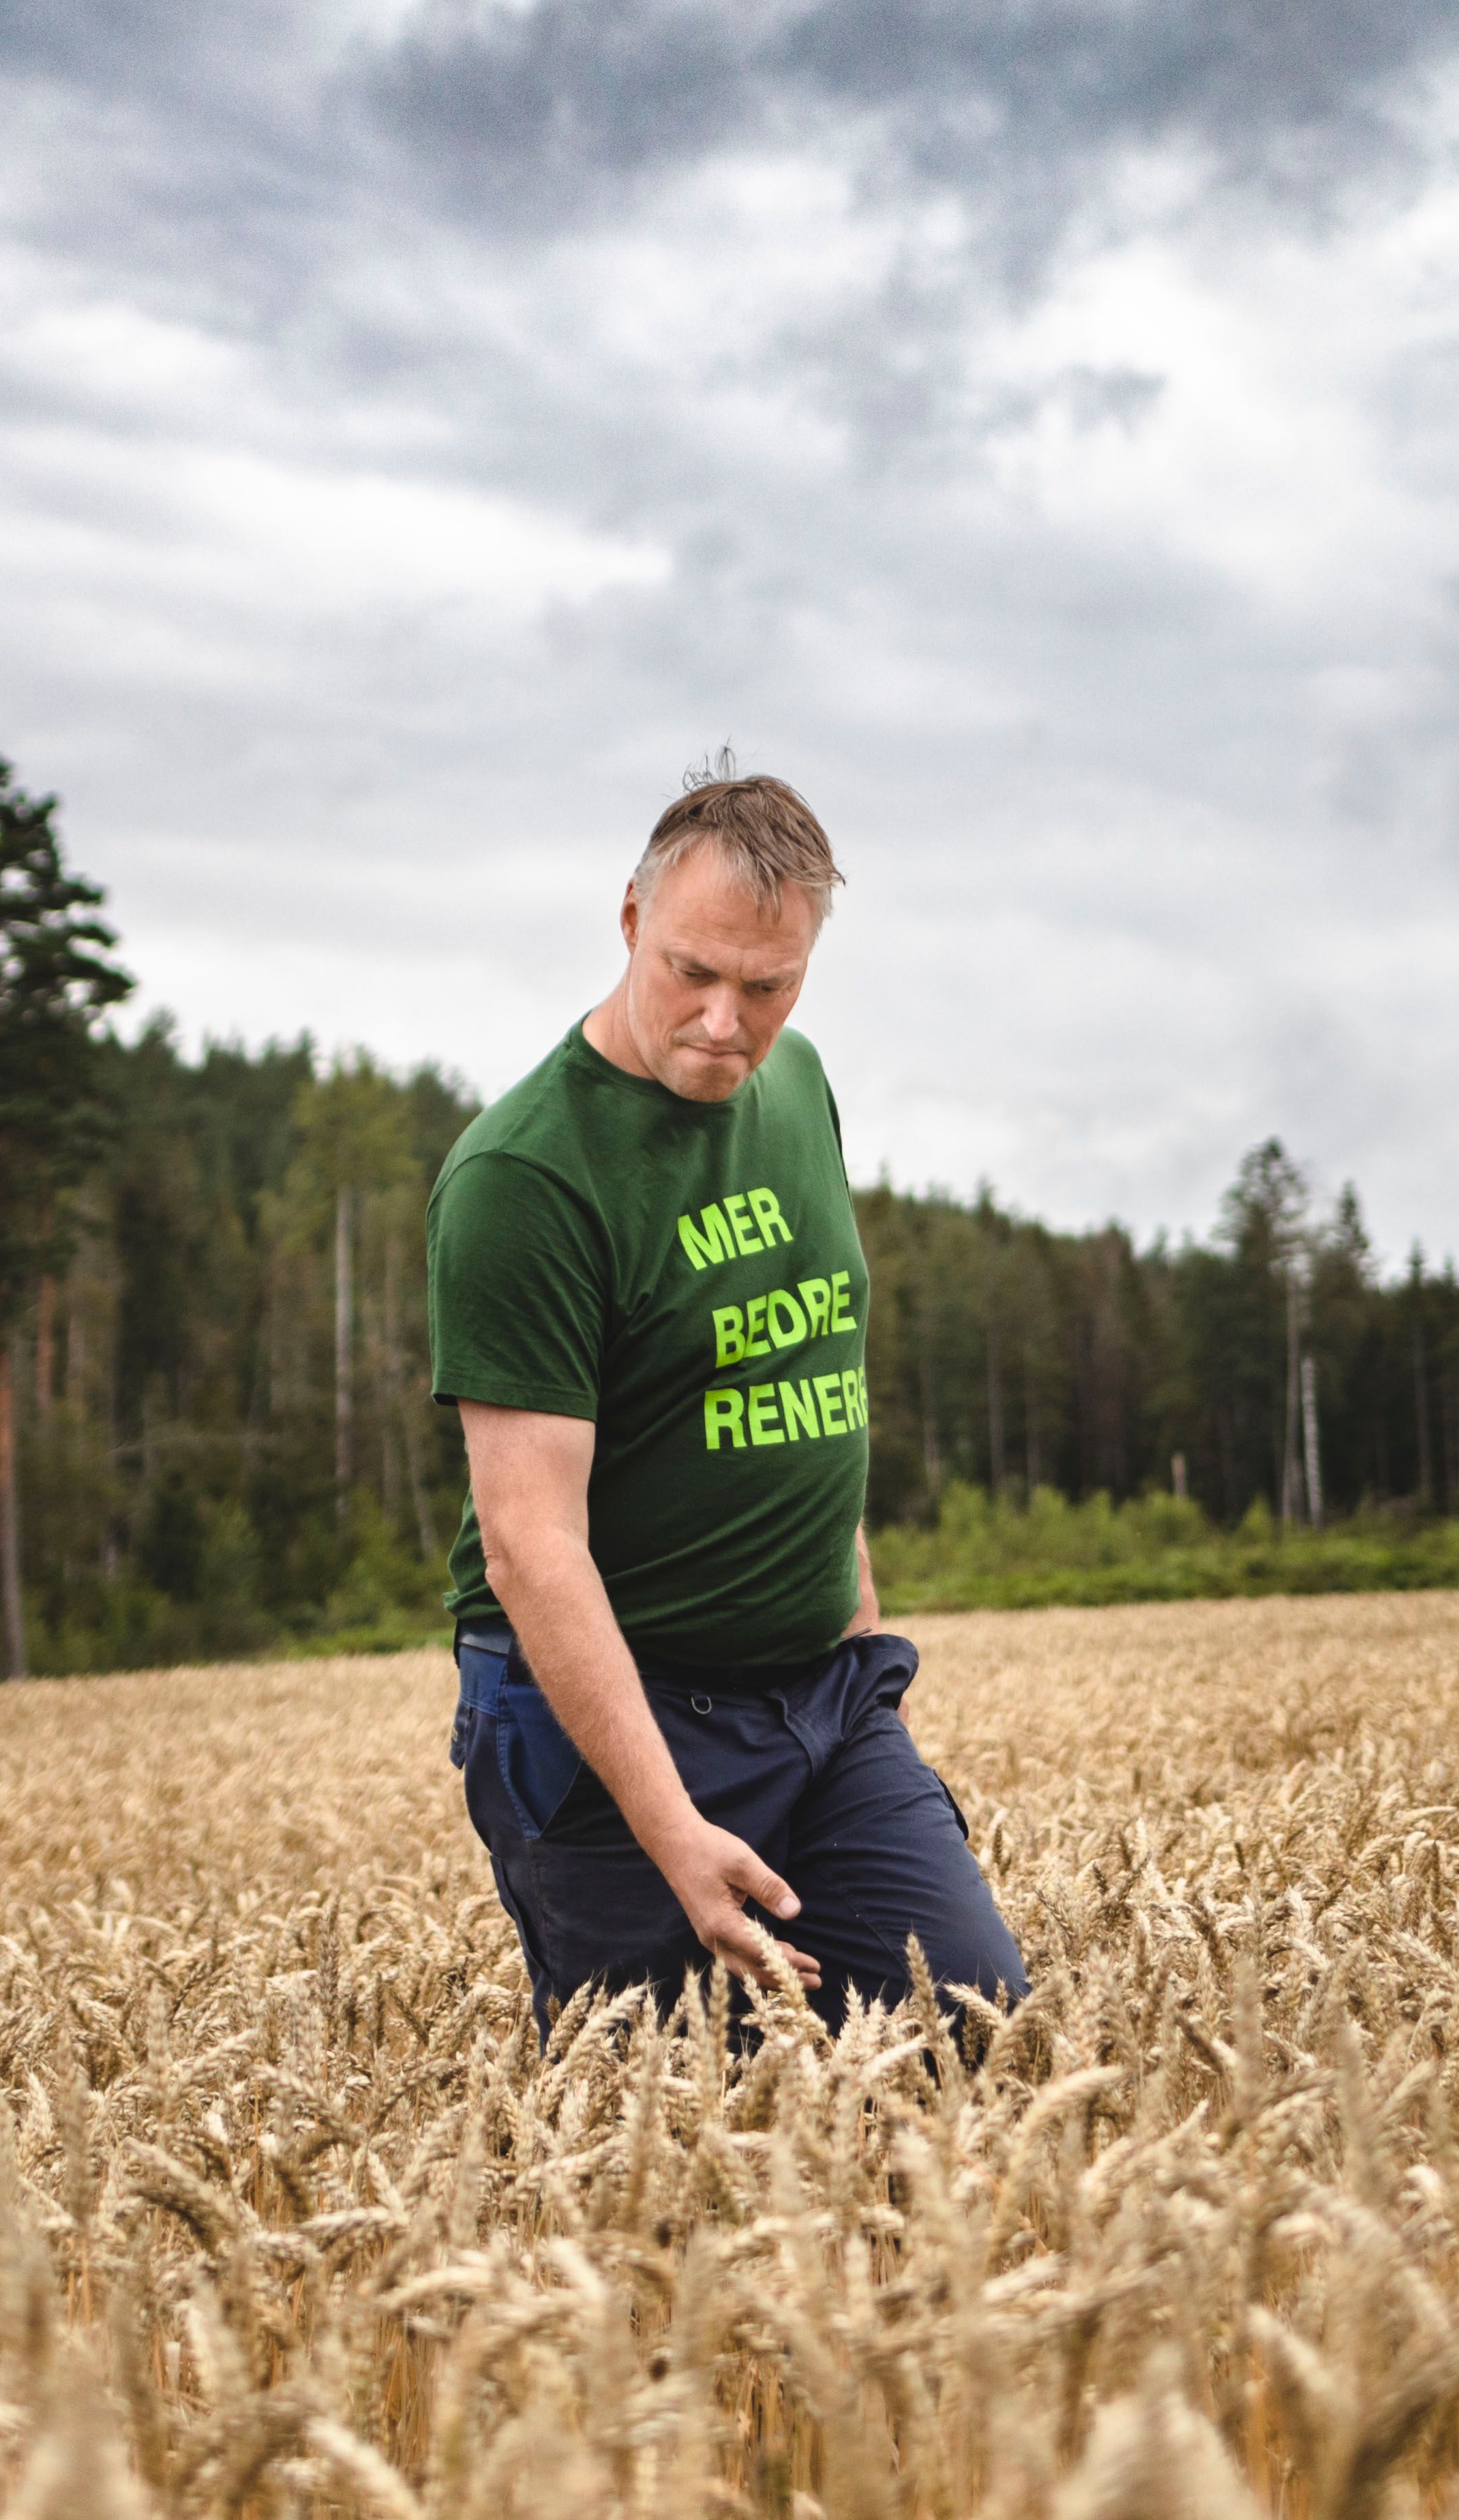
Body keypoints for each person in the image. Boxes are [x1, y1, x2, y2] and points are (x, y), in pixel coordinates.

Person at [426, 764, 1029, 2035]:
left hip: (822, 1693)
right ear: (631, 921)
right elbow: (530, 1542)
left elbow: (810, 1368)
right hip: (617, 1722)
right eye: (692, 972)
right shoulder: (524, 1178)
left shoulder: (799, 1086)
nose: (723, 1021)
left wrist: (863, 1651)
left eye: (767, 987)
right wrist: (670, 1826)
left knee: (971, 2022)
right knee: (665, 2114)